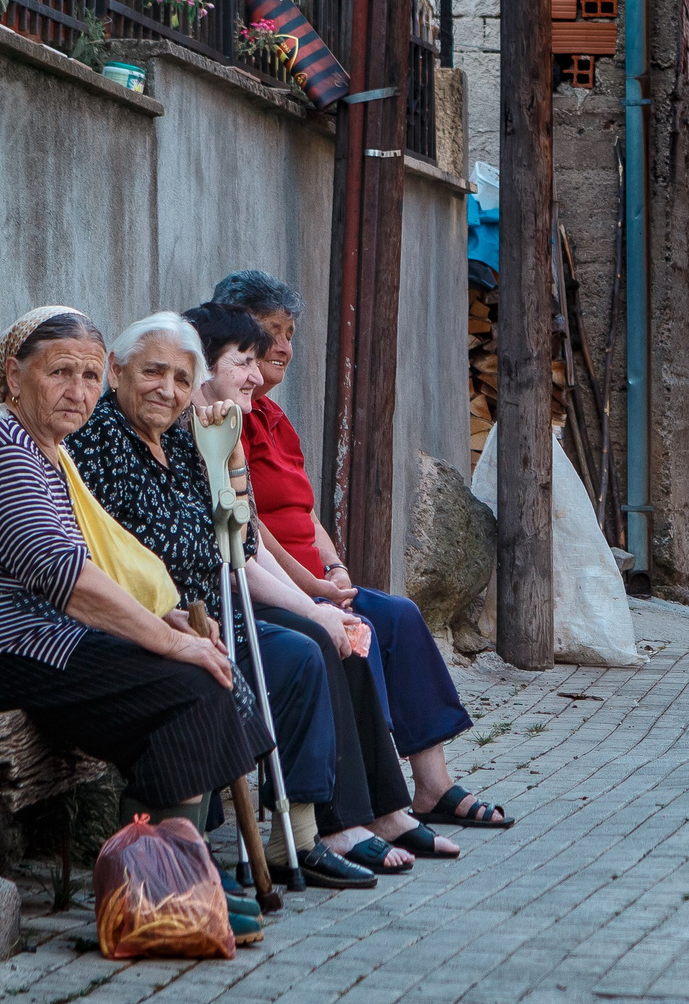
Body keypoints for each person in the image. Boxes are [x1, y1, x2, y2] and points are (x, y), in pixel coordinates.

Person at [0, 307, 271, 937]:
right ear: (15, 377)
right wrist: (167, 642)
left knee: (205, 677)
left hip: (36, 646)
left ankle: (165, 878)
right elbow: (63, 574)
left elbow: (95, 566)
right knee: (188, 683)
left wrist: (172, 623)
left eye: (89, 375)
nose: (79, 392)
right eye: (60, 374)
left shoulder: (46, 453)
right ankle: (157, 892)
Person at [65, 311, 400, 890]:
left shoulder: (181, 439)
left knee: (308, 649)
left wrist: (230, 460)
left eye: (179, 377)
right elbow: (147, 550)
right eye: (152, 373)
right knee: (298, 654)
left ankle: (297, 835)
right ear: (116, 371)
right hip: (157, 621)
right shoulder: (99, 443)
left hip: (210, 614)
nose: (167, 390)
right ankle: (259, 845)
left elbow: (239, 539)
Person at [209, 270, 510, 829]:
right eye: (272, 332)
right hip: (281, 586)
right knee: (351, 639)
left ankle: (431, 784)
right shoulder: (225, 419)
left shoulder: (273, 417)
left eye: (291, 332)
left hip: (314, 579)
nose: (285, 348)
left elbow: (306, 513)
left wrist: (337, 567)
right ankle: (365, 806)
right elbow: (248, 529)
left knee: (397, 615)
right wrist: (313, 587)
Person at [184, 302, 462, 865]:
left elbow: (261, 530)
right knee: (318, 645)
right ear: (204, 367)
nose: (261, 370)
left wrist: (328, 581)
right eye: (246, 358)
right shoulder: (203, 434)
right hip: (216, 606)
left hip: (266, 588)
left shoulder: (233, 429)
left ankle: (384, 807)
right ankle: (327, 825)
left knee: (366, 628)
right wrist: (313, 601)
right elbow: (246, 541)